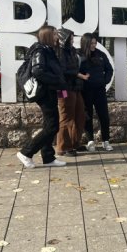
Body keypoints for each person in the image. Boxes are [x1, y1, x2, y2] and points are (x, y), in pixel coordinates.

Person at [17, 25, 68, 168]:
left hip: (49, 91)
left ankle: (48, 157)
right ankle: (26, 152)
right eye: (55, 35)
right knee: (52, 127)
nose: (57, 37)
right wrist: (56, 80)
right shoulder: (40, 50)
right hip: (44, 92)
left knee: (50, 125)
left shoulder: (48, 50)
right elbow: (38, 71)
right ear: (47, 36)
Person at [56, 28, 88, 156]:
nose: (73, 39)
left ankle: (75, 143)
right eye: (70, 37)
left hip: (75, 87)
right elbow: (62, 70)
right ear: (64, 38)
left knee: (80, 115)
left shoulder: (72, 51)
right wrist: (78, 75)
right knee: (66, 117)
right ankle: (63, 147)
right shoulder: (59, 52)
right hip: (63, 88)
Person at [79, 33, 114, 151]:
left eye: (95, 43)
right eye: (91, 43)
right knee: (87, 116)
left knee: (104, 116)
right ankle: (90, 141)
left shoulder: (101, 54)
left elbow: (109, 69)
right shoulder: (79, 55)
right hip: (85, 91)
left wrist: (105, 80)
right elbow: (73, 71)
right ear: (85, 43)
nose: (93, 46)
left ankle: (106, 140)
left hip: (99, 90)